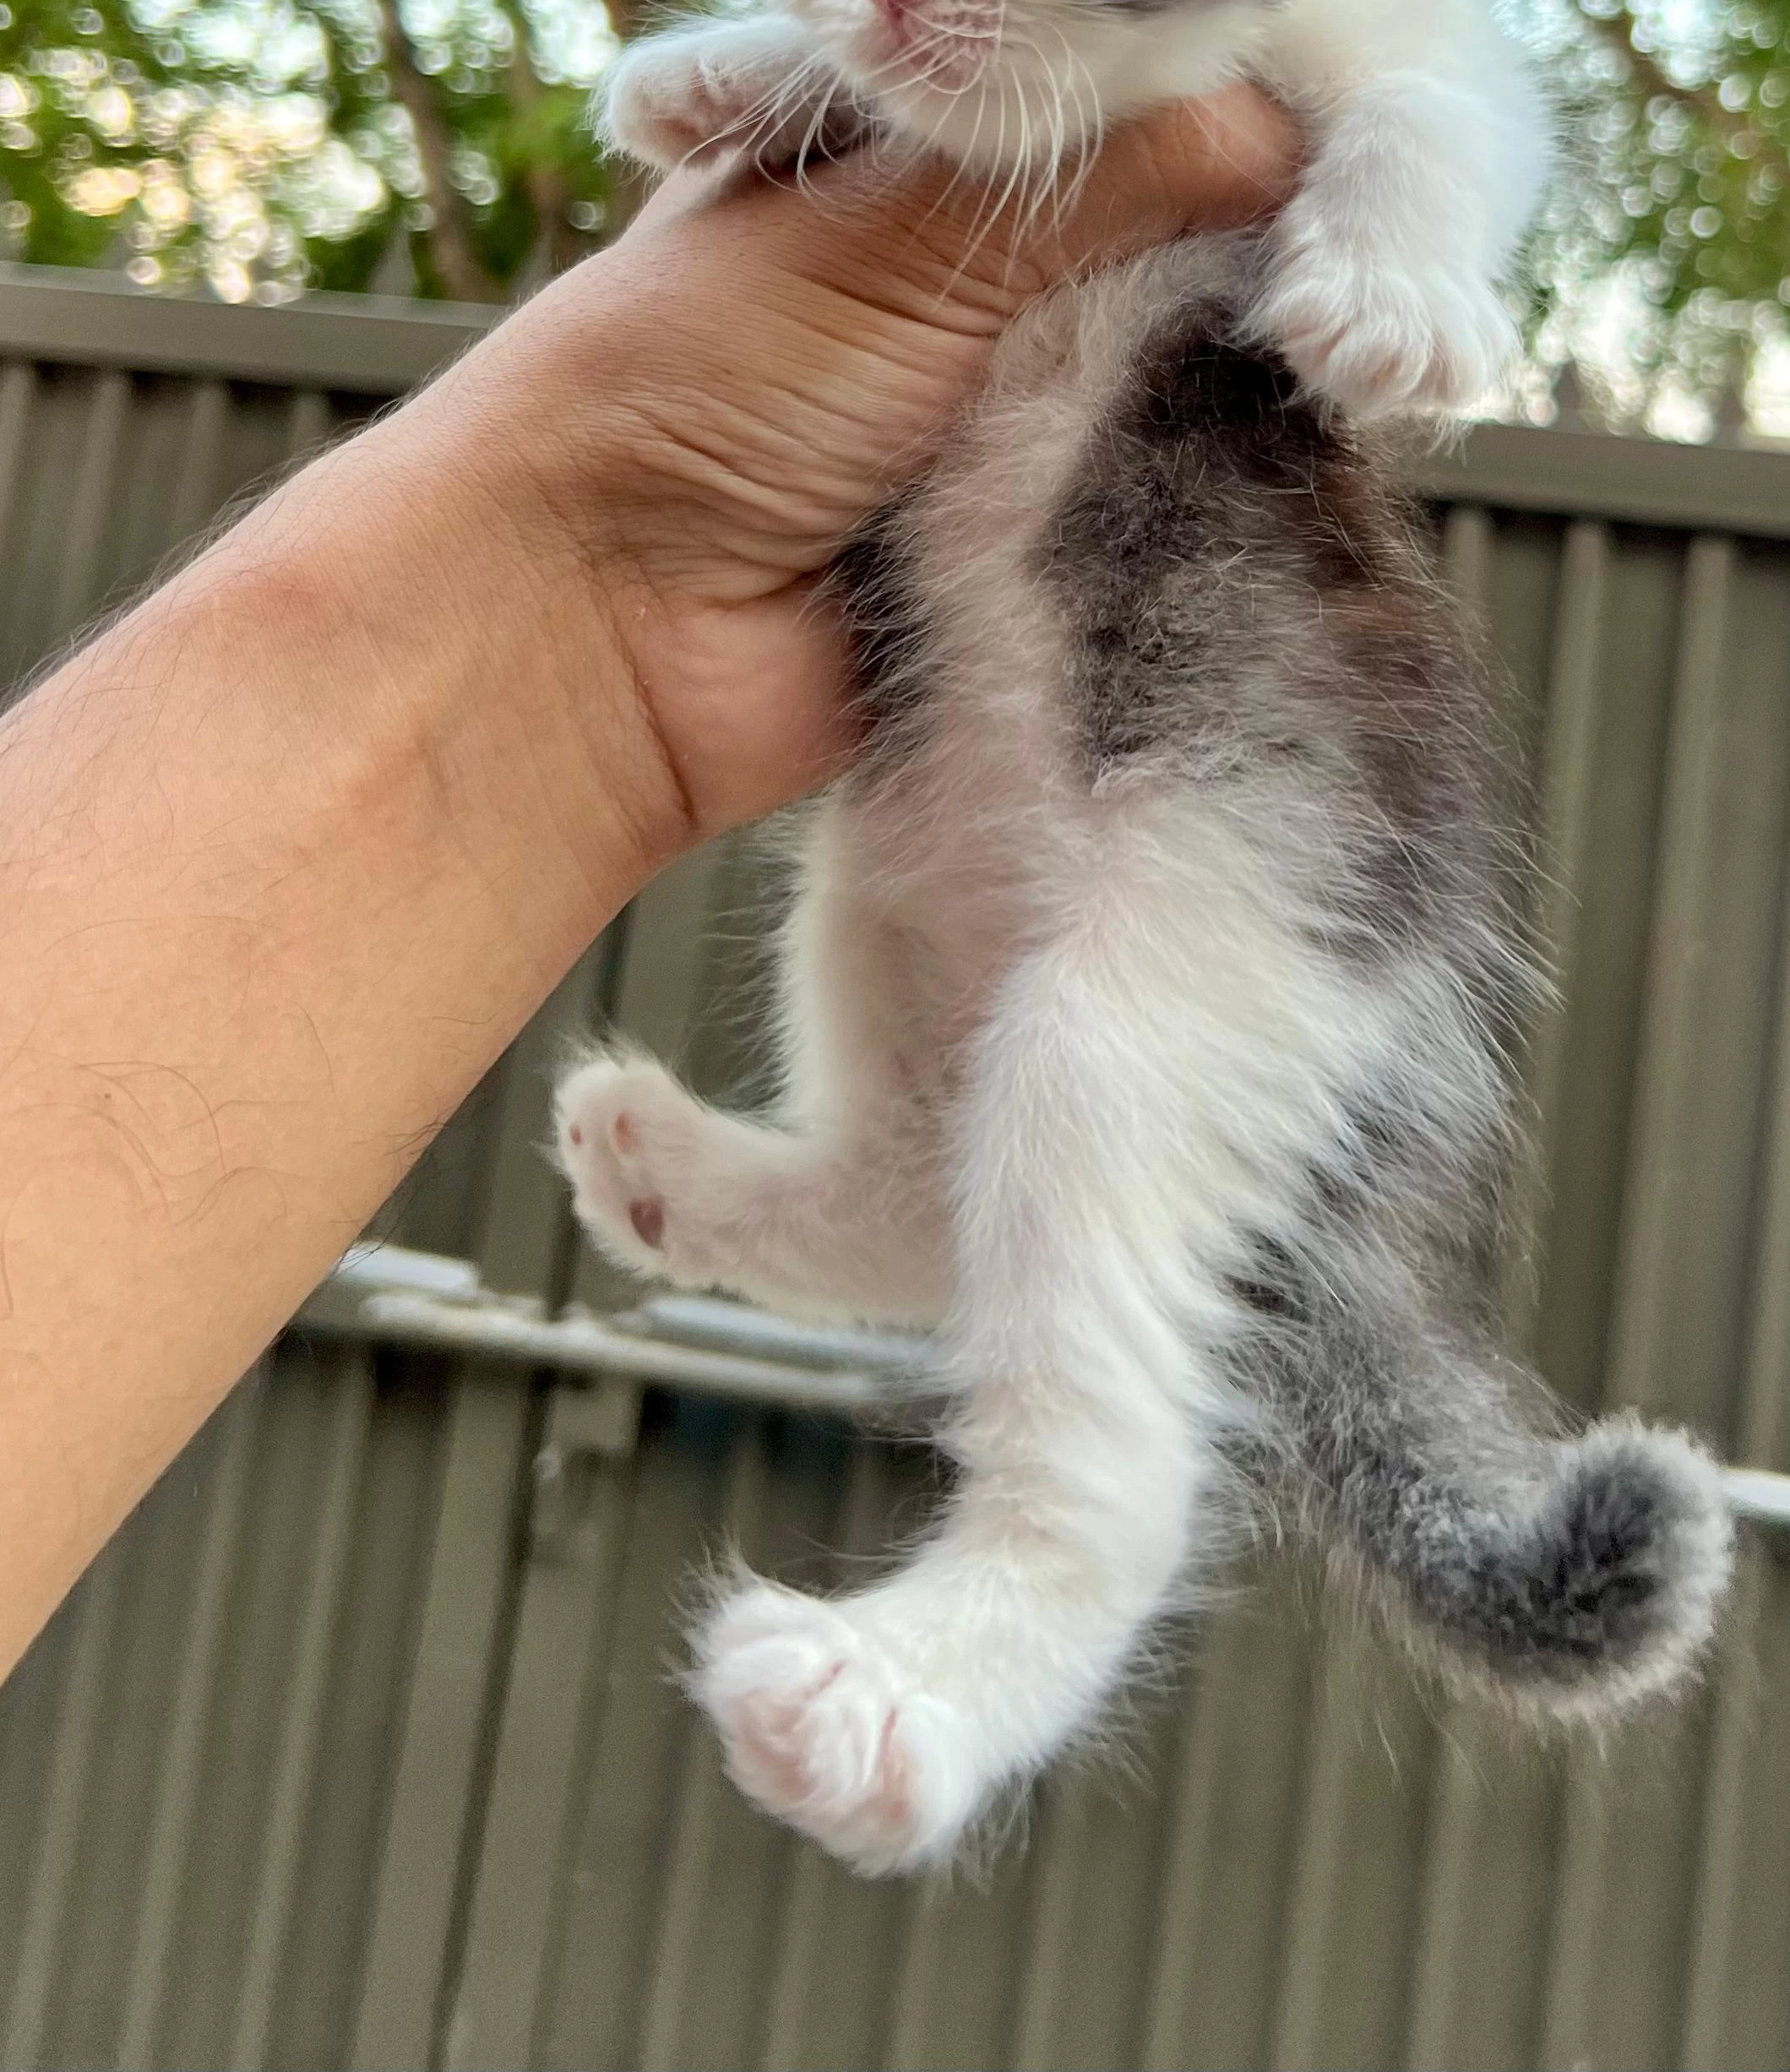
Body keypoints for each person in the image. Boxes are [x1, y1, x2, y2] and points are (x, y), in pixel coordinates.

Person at [0, 91, 1298, 1678]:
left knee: (1088, 1017)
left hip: (1164, 715)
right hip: (983, 649)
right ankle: (895, 1202)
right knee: (890, 890)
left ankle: (1053, 1551)